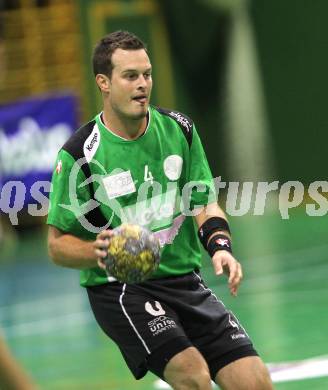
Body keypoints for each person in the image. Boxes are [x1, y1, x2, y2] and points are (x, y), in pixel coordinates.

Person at [47, 30, 273, 389]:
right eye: (130, 76)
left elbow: (204, 202)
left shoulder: (178, 130)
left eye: (147, 74)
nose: (143, 84)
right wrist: (100, 252)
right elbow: (57, 245)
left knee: (254, 381)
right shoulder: (79, 156)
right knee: (192, 374)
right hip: (122, 287)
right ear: (103, 83)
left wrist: (221, 248)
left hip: (183, 279)